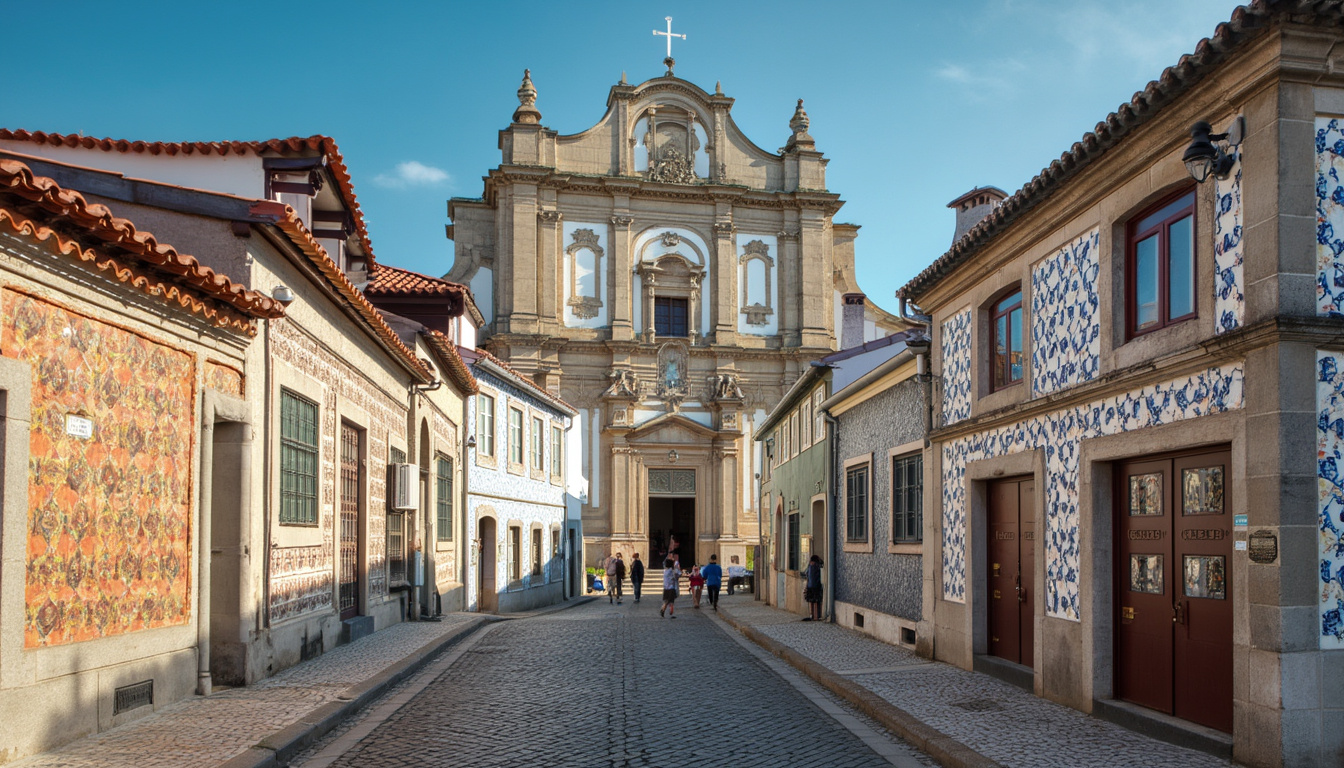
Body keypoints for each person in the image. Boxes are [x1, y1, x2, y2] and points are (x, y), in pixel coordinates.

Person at [802, 554, 823, 621]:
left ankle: (811, 615)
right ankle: (816, 616)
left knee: (811, 601)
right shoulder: (817, 566)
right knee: (816, 601)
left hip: (810, 586)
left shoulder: (809, 566)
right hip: (816, 586)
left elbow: (806, 574)